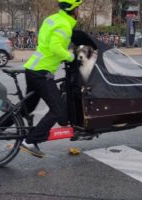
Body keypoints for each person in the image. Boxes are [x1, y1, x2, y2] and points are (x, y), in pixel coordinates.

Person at [20, 0, 83, 158]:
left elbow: (45, 42)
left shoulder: (51, 19)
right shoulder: (64, 25)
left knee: (27, 107)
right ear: (73, 10)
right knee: (57, 110)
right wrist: (71, 57)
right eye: (78, 8)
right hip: (42, 72)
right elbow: (55, 47)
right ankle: (30, 141)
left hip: (32, 68)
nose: (79, 11)